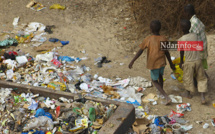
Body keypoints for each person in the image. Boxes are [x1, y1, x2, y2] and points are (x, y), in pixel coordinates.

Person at [128, 20, 175, 105]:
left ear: (151, 29)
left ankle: (166, 96)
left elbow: (140, 51)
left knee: (154, 80)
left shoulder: (148, 39)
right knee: (160, 76)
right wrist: (171, 63)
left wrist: (132, 61)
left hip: (153, 64)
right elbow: (167, 52)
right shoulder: (163, 38)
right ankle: (161, 92)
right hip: (162, 62)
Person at [178, 19, 208, 104]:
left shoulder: (181, 39)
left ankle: (188, 93)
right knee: (201, 78)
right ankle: (202, 97)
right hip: (198, 60)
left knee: (188, 78)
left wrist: (181, 62)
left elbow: (181, 52)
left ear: (181, 28)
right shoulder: (195, 36)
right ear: (190, 27)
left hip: (189, 62)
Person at [184, 4, 209, 77]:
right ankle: (204, 76)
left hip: (199, 48)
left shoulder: (193, 23)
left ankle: (201, 79)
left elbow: (192, 39)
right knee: (200, 67)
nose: (184, 14)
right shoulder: (197, 20)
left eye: (184, 12)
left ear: (187, 13)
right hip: (203, 46)